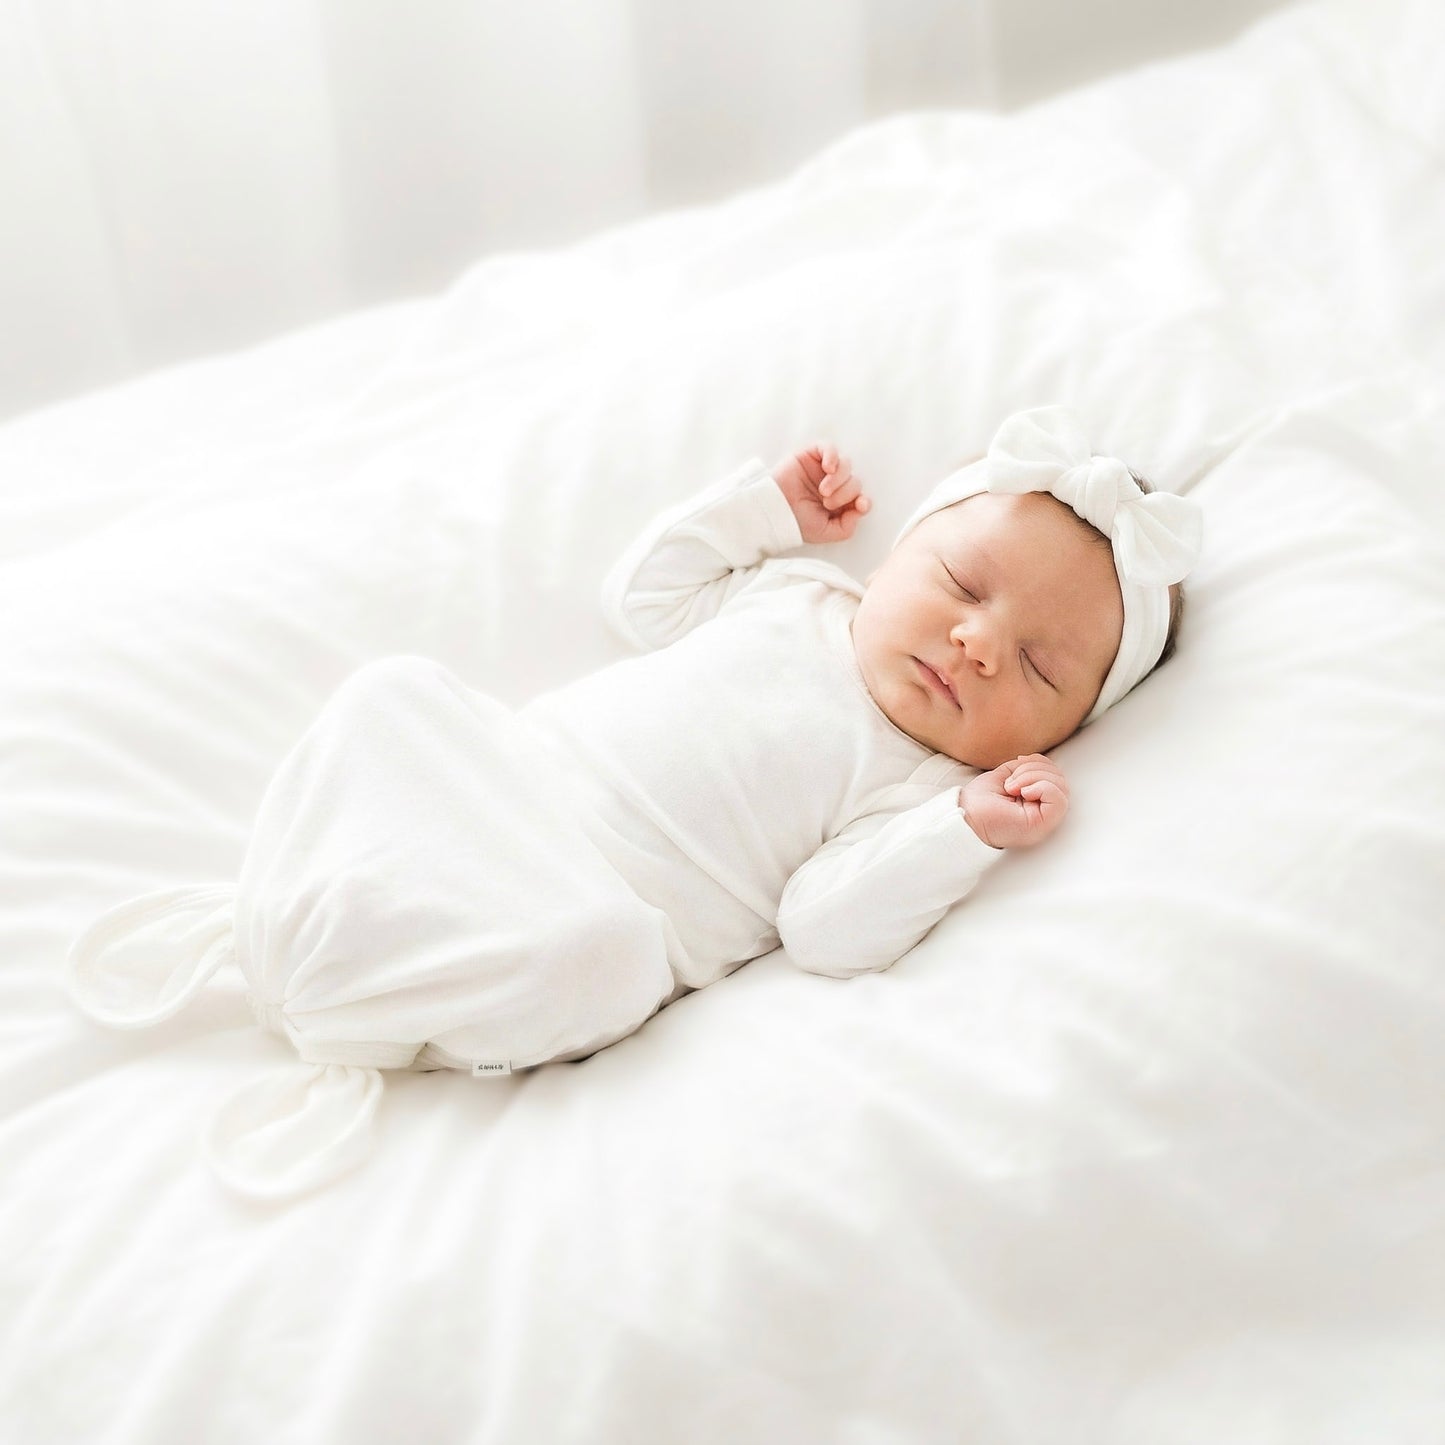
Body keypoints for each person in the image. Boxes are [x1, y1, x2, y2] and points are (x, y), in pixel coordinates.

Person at [64, 405, 1202, 1201]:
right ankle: (288, 905)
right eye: (961, 585)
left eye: (1043, 671)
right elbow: (643, 594)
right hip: (499, 780)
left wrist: (962, 834)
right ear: (901, 548)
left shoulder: (918, 786)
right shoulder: (798, 594)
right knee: (392, 693)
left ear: (1062, 732)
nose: (978, 644)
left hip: (581, 901)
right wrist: (765, 511)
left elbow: (824, 926)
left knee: (598, 963)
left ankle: (383, 1020)